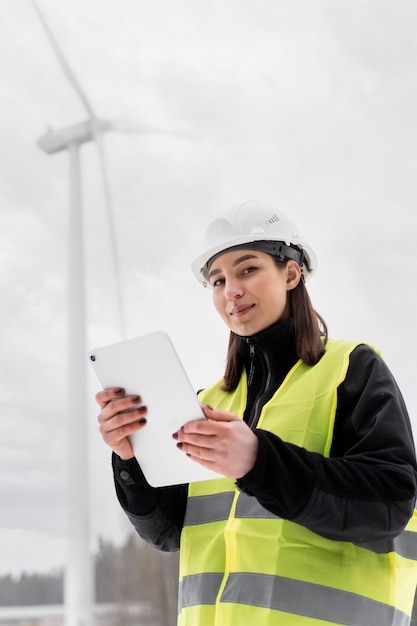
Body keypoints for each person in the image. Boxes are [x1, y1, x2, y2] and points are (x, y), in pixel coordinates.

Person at [96, 200, 417, 626]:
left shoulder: (350, 370)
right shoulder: (209, 402)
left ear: (291, 272)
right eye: (218, 280)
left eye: (247, 269)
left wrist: (259, 462)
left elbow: (390, 504)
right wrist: (129, 458)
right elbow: (169, 532)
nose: (231, 290)